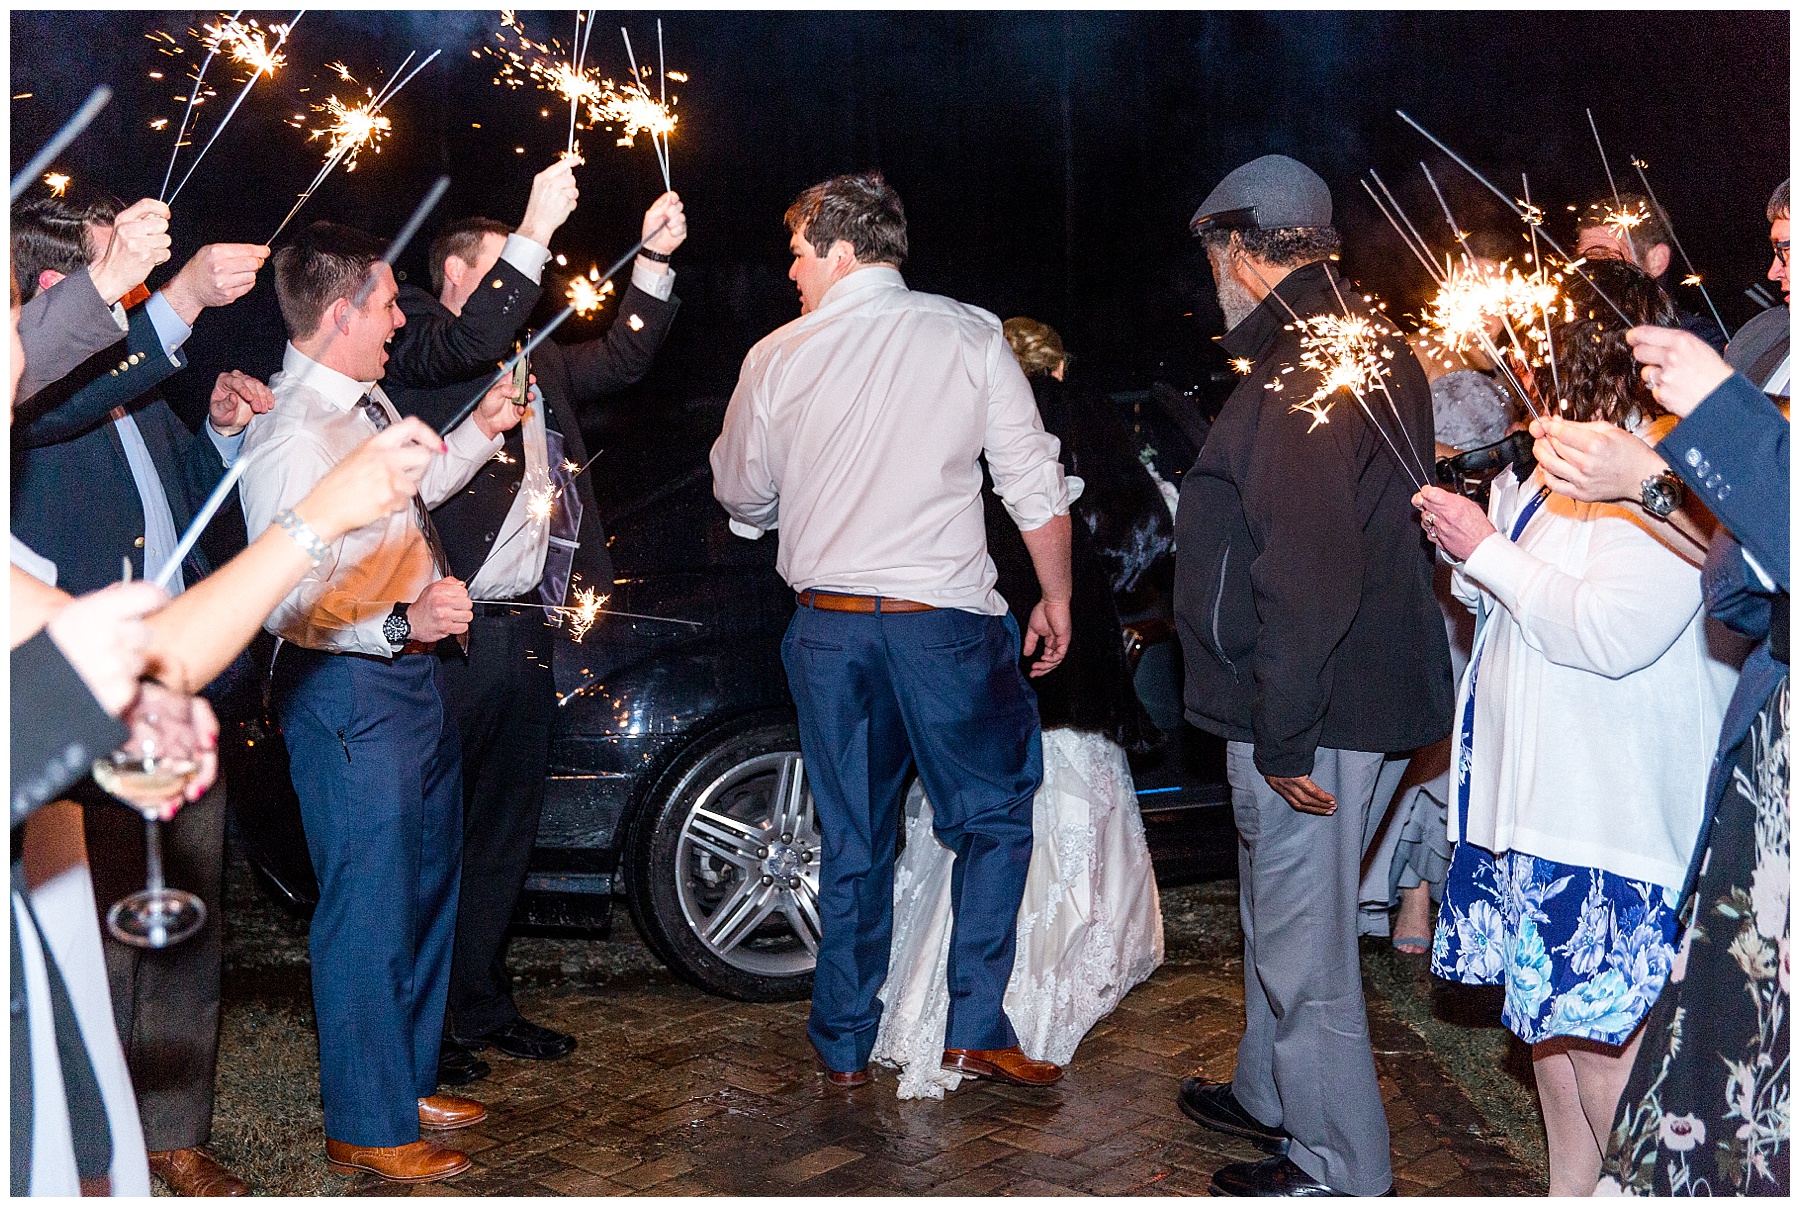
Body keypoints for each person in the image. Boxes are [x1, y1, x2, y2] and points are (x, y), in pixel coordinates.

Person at [711, 171, 1074, 1092]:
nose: (791, 270)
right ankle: (974, 1028)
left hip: (832, 634)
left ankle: (842, 1041)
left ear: (840, 251)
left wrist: (787, 504)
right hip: (943, 631)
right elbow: (1032, 483)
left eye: (798, 251)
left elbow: (740, 493)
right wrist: (1056, 595)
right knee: (991, 820)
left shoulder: (775, 356)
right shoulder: (969, 333)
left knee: (855, 837)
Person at [1413, 260, 1741, 1196]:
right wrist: (1470, 551)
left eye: (1537, 348)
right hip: (1530, 813)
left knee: (1605, 1048)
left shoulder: (1666, 474)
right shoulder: (1550, 474)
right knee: (1548, 1034)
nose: (1519, 370)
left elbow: (1609, 633)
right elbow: (1512, 616)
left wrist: (1490, 554)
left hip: (1608, 821)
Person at [1172, 154, 1450, 1198]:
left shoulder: (1306, 369)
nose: (1212, 275)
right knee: (1281, 913)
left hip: (1316, 707)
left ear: (1239, 249)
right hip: (1343, 693)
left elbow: (1310, 565)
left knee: (1308, 946)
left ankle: (1337, 1163)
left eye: (1213, 254)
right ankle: (1270, 1093)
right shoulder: (1359, 339)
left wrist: (1283, 728)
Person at [383, 160, 686, 1083]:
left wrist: (653, 262)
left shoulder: (534, 350)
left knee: (504, 832)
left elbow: (623, 358)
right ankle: (424, 1024)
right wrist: (534, 225)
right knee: (434, 834)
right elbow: (469, 342)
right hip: (445, 627)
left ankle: (480, 1002)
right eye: (506, 267)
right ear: (457, 273)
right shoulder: (419, 337)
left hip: (523, 627)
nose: (530, 287)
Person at [237, 220, 524, 1184]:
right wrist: (402, 623)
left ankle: (405, 1078)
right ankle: (365, 1119)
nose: (403, 320)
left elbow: (415, 489)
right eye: (391, 304)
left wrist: (482, 431)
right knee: (366, 905)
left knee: (425, 885)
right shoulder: (288, 433)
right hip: (348, 689)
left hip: (410, 681)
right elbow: (281, 598)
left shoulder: (364, 402)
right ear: (339, 312)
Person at [10, 192, 269, 1196]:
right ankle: (92, 1147)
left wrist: (221, 430)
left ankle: (171, 1134)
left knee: (185, 918)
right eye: (114, 267)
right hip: (80, 694)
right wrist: (182, 301)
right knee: (98, 926)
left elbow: (186, 490)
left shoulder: (141, 387)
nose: (134, 288)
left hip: (173, 676)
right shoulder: (39, 394)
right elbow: (62, 399)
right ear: (55, 288)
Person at [871, 317, 1164, 1098]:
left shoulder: (953, 412)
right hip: (1059, 612)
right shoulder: (1071, 411)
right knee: (1064, 793)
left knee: (980, 812)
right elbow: (1139, 520)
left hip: (974, 617)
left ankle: (939, 998)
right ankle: (1033, 989)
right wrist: (1103, 584)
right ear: (1056, 363)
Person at [1595, 326, 1789, 1196]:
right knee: (1730, 1048)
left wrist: (1724, 418)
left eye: (1791, 257)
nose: (1779, 272)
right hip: (1768, 758)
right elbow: (1742, 591)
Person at [1574, 191, 1727, 352]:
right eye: (1581, 260)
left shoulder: (1703, 345)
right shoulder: (1577, 336)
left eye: (1602, 256)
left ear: (1657, 260)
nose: (1586, 272)